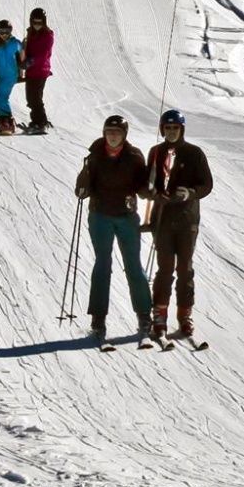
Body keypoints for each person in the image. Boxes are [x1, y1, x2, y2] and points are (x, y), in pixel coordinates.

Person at [73, 115, 152, 339]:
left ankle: (144, 316)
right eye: (109, 132)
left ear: (124, 135)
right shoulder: (95, 155)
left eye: (117, 132)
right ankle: (98, 320)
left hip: (126, 217)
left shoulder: (134, 157)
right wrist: (82, 187)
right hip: (100, 216)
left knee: (133, 265)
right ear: (104, 133)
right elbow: (82, 187)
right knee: (102, 264)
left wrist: (149, 189)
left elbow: (142, 186)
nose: (113, 136)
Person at [144, 108, 214, 343]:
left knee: (185, 269)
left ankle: (185, 315)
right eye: (168, 127)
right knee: (164, 269)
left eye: (175, 128)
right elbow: (148, 183)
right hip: (162, 219)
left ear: (182, 129)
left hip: (187, 219)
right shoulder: (156, 152)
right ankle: (159, 315)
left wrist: (190, 193)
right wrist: (152, 192)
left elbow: (206, 184)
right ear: (162, 129)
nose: (171, 131)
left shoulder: (194, 153)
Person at [0, 19, 24, 135]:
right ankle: (4, 121)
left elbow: (23, 55)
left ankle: (7, 122)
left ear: (10, 31)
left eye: (6, 31)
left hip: (11, 75)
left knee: (1, 98)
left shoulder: (15, 43)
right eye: (1, 31)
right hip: (1, 76)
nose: (4, 34)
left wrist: (21, 69)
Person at [22, 8, 54, 134]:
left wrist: (30, 61)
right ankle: (38, 121)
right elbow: (27, 49)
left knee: (35, 98)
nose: (37, 25)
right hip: (31, 71)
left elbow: (43, 54)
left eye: (39, 22)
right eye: (34, 22)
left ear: (44, 22)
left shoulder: (48, 36)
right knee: (30, 98)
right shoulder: (31, 33)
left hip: (41, 71)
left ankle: (41, 123)